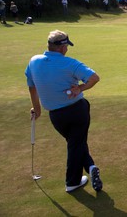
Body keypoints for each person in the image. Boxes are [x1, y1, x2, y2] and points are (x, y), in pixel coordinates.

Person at [25, 30, 103, 193]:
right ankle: (77, 178)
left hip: (56, 116)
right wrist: (80, 87)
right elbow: (94, 78)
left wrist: (37, 108)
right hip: (77, 110)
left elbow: (32, 86)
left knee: (75, 143)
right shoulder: (70, 63)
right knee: (76, 143)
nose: (67, 49)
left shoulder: (34, 61)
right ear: (61, 48)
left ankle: (88, 168)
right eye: (66, 46)